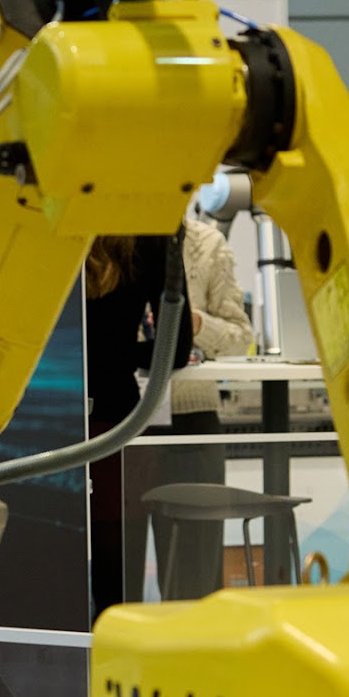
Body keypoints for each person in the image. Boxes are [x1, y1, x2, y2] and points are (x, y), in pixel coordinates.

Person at [84, 234, 193, 618]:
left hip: (45, 415)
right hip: (117, 422)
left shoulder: (44, 221)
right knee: (117, 583)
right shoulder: (151, 235)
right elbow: (175, 349)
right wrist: (119, 353)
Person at [144, 214, 252, 599]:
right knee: (116, 567)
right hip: (120, 417)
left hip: (191, 420)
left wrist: (195, 323)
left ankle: (196, 638)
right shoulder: (105, 240)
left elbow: (240, 338)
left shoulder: (207, 244)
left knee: (194, 577)